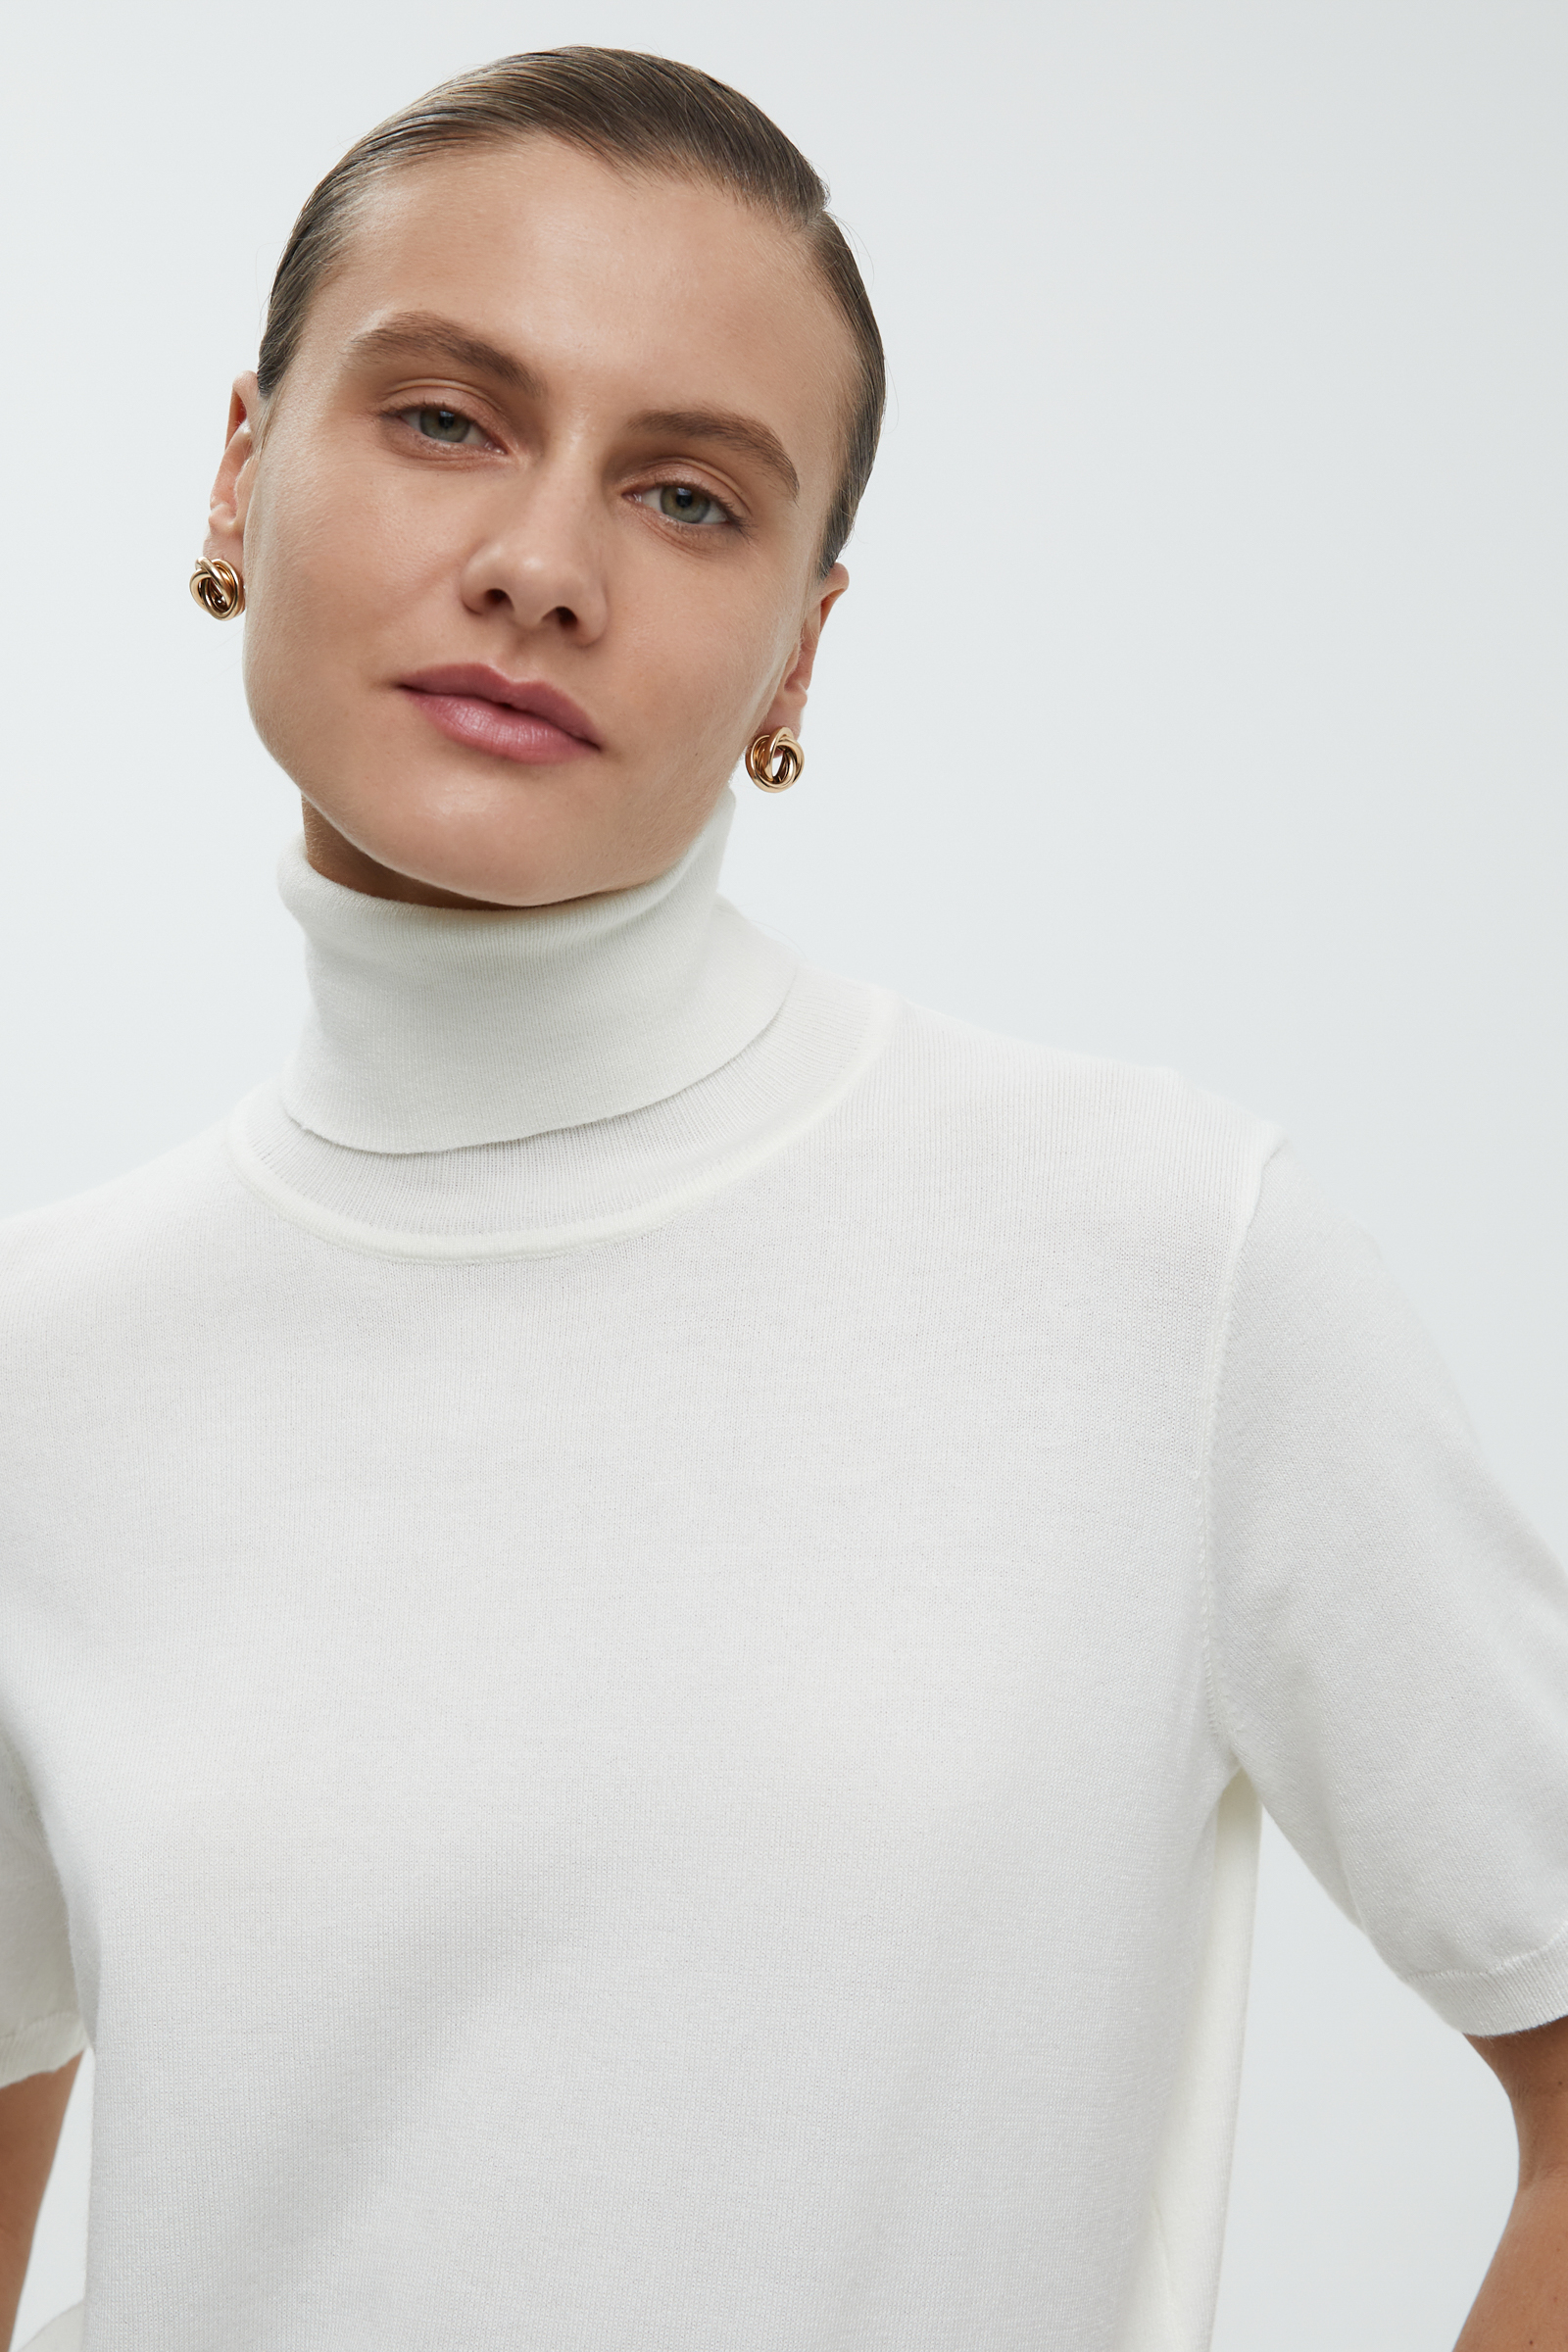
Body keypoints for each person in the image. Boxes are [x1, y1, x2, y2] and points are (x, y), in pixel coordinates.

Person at [0, 46, 1564, 2352]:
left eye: (687, 496)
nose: (538, 569)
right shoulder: (44, 1374)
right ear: (243, 467)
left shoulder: (1157, 1266)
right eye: (442, 417)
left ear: (798, 648)